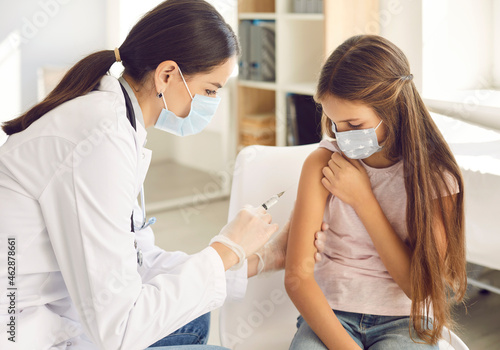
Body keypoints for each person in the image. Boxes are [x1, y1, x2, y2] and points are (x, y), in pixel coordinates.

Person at [0, 1, 326, 349]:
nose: (211, 104)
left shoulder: (115, 120)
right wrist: (225, 250)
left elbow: (141, 261)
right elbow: (120, 331)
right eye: (210, 90)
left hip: (65, 312)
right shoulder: (99, 139)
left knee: (194, 314)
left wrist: (262, 258)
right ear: (167, 74)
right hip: (22, 330)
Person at [284, 35, 467, 349]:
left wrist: (362, 198)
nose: (342, 136)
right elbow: (296, 278)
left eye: (354, 124)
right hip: (331, 313)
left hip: (404, 320)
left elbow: (418, 287)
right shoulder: (323, 164)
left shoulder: (435, 178)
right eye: (335, 123)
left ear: (393, 107)